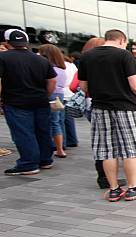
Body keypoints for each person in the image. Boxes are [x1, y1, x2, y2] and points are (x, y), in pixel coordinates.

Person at [79, 29, 136, 201]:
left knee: (107, 150)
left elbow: (83, 87)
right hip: (126, 107)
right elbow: (135, 86)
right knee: (130, 150)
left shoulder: (87, 56)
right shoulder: (124, 56)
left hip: (100, 108)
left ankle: (114, 189)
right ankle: (133, 188)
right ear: (122, 40)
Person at [0, 29, 56, 176]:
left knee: (24, 133)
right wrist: (45, 94)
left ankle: (28, 164)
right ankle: (45, 160)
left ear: (6, 43)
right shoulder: (41, 59)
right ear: (26, 43)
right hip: (40, 100)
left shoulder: (3, 57)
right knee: (42, 131)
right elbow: (51, 80)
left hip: (16, 101)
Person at [38, 44, 67, 159]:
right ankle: (60, 148)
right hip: (60, 95)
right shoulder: (61, 69)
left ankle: (57, 149)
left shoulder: (49, 68)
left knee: (52, 122)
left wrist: (47, 94)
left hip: (51, 94)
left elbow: (51, 82)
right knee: (58, 121)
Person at [62, 54, 78, 148]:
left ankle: (62, 142)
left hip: (63, 93)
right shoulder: (72, 65)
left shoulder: (59, 65)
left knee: (60, 120)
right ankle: (72, 140)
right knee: (69, 119)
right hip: (71, 94)